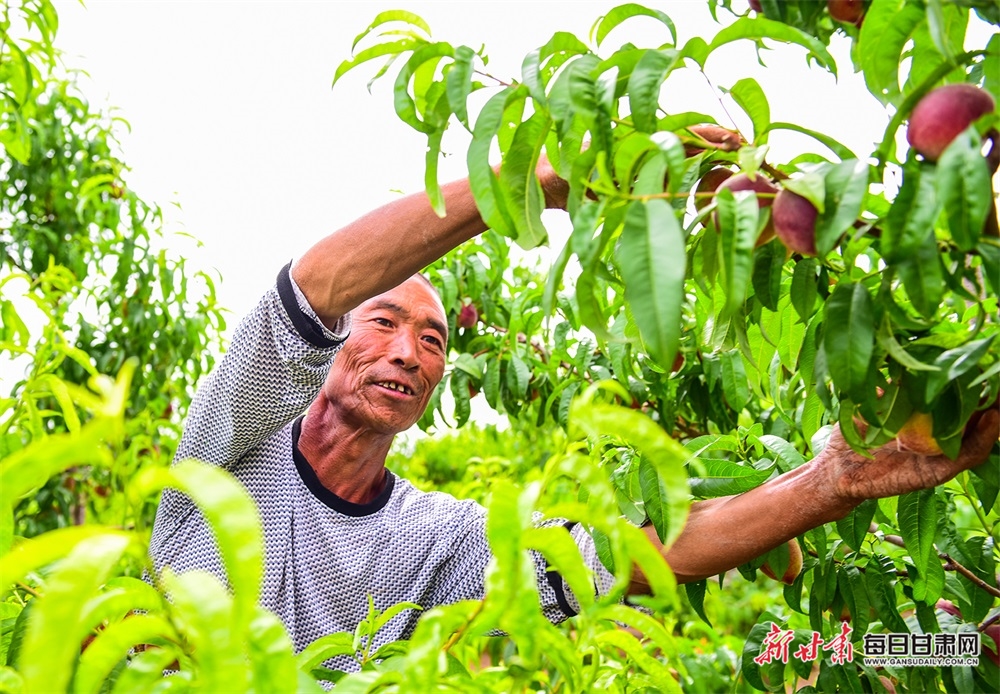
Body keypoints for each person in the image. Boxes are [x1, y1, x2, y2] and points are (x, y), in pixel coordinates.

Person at [148, 158, 999, 669]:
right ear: (332, 342)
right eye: (384, 323)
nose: (410, 353)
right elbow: (312, 287)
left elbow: (625, 556)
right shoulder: (226, 453)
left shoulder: (434, 536)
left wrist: (835, 483)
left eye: (435, 341)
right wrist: (531, 182)